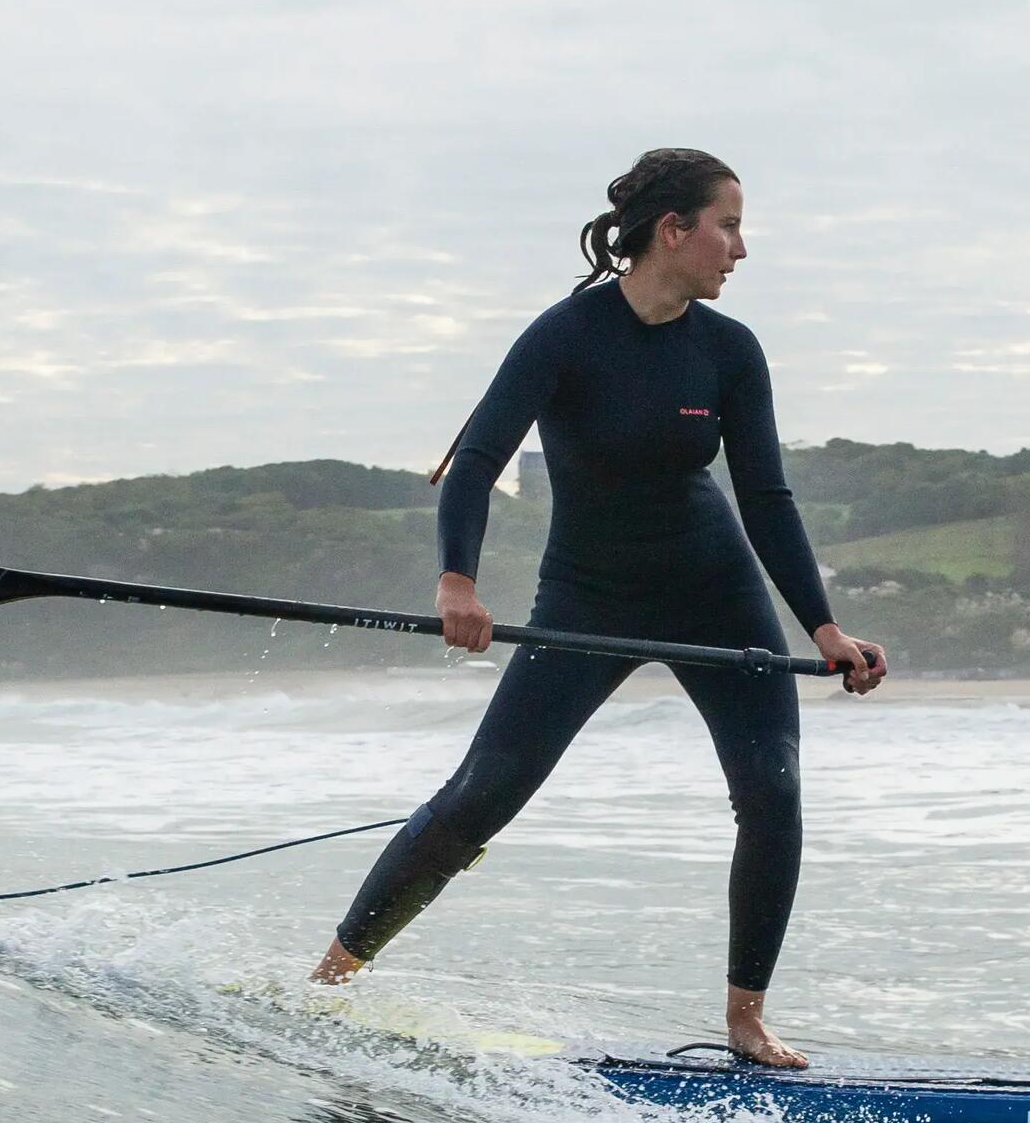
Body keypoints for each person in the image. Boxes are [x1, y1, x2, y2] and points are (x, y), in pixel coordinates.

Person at [312, 148, 886, 1066]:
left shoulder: (730, 352)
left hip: (714, 593)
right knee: (486, 791)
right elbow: (479, 461)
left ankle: (745, 1020)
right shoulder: (566, 337)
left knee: (772, 792)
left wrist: (823, 628)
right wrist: (457, 580)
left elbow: (768, 499)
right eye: (728, 226)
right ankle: (330, 981)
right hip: (590, 596)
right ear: (674, 231)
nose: (740, 249)